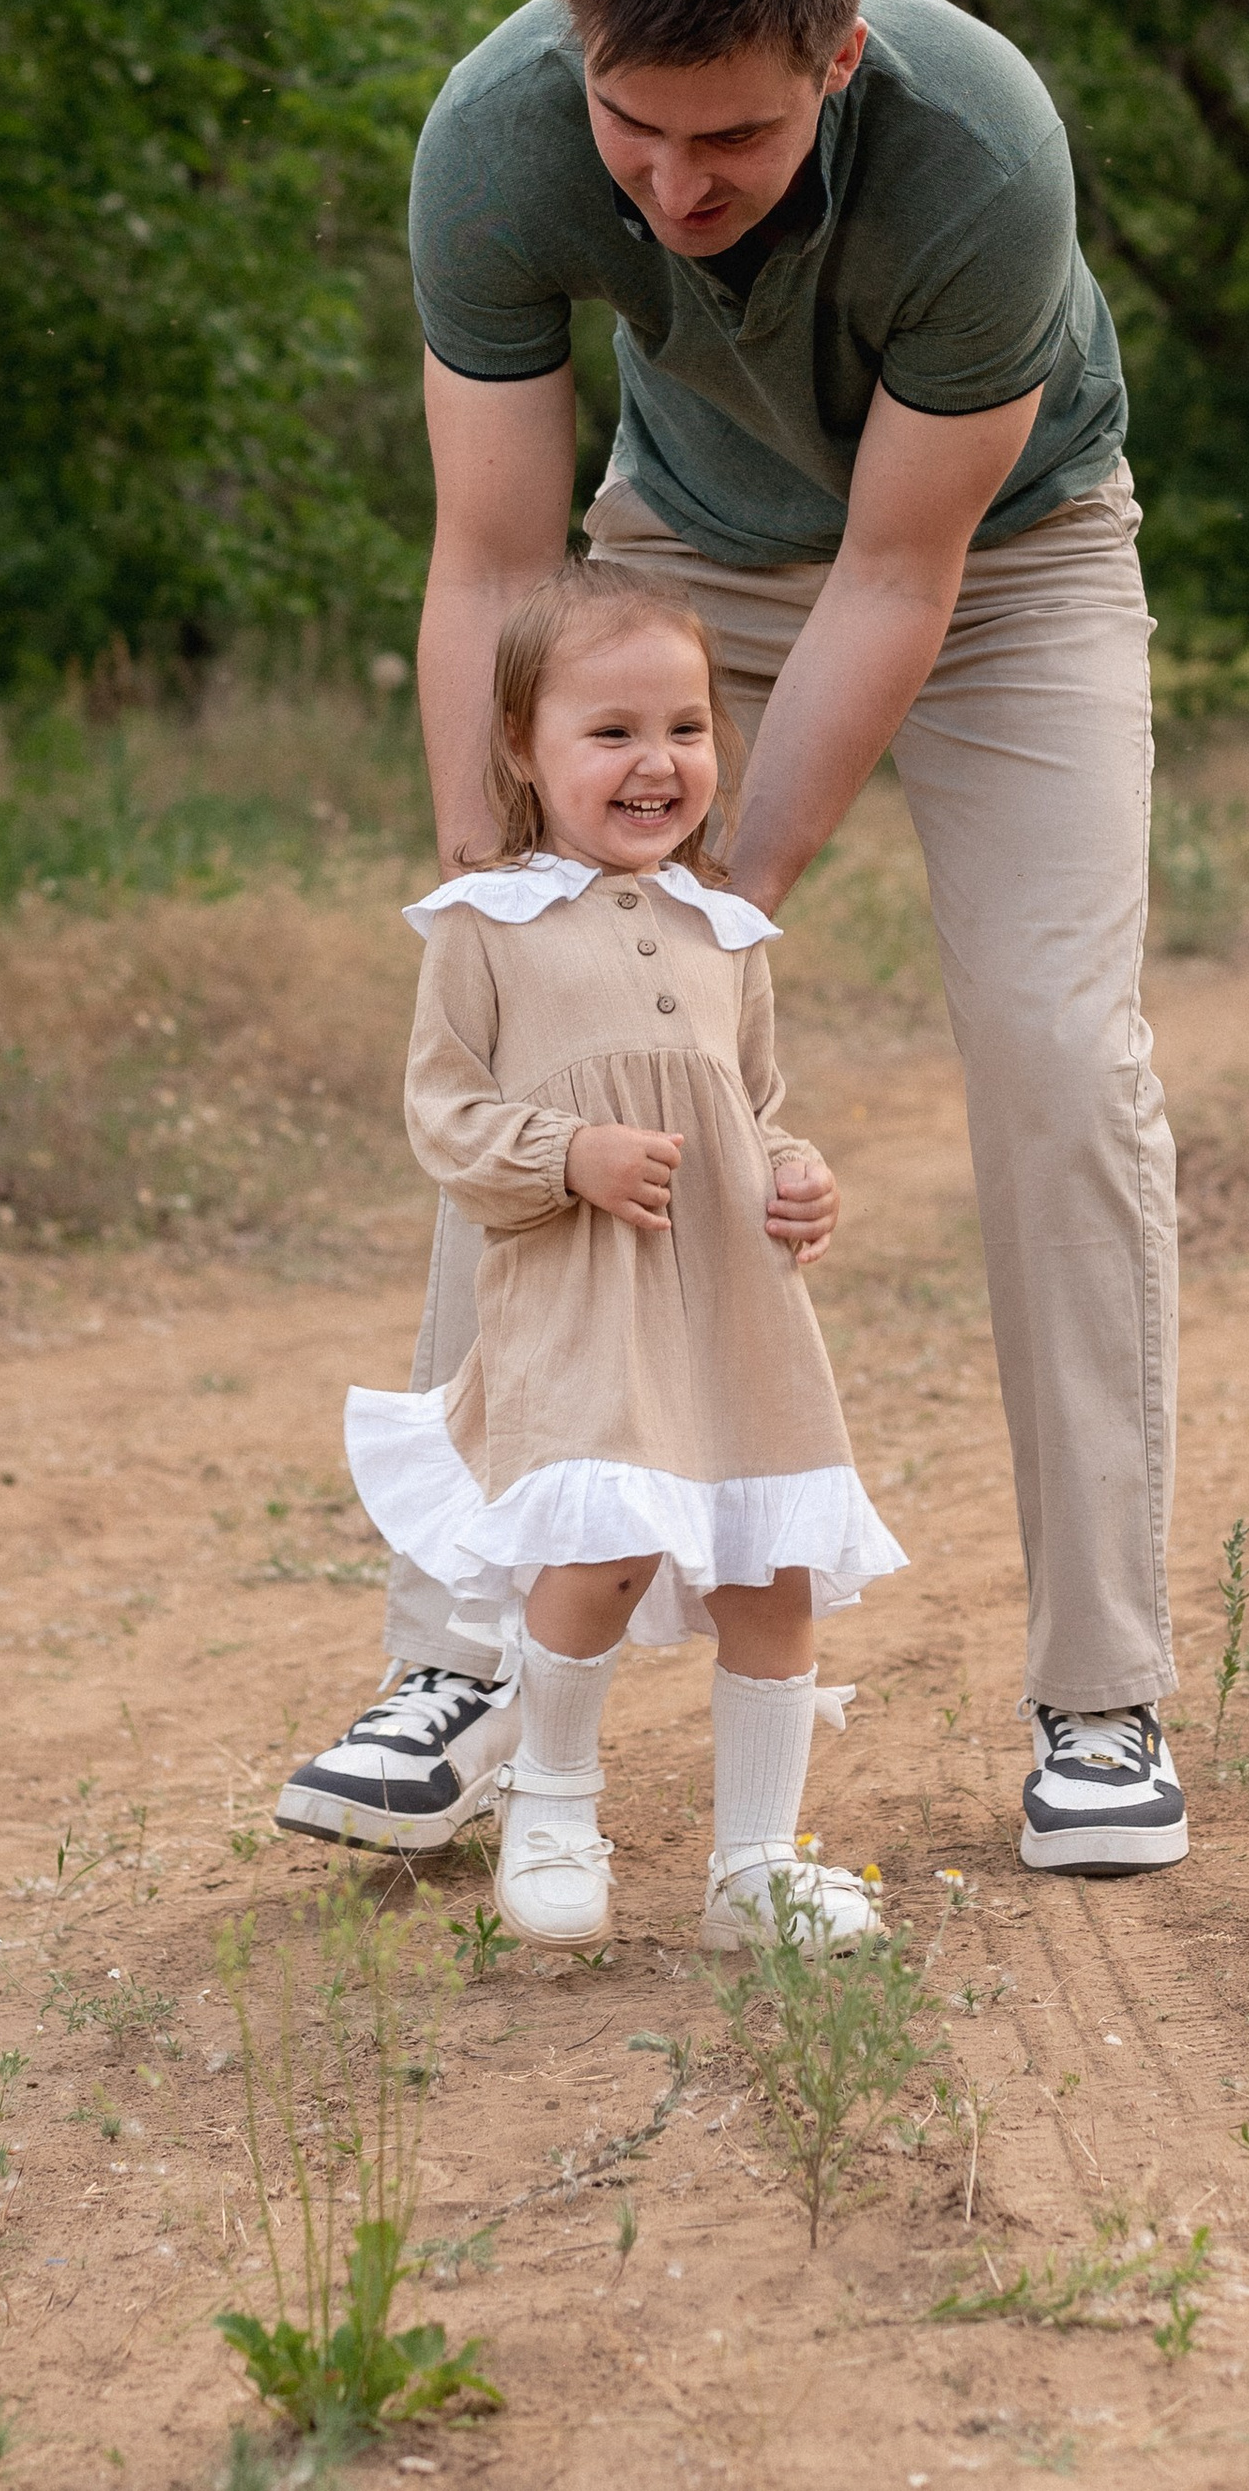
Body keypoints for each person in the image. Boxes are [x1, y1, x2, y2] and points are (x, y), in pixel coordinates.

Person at [276, 0, 1185, 1879]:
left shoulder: (980, 151)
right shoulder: (496, 136)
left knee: (1059, 1060)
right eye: (634, 128)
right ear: (575, 52)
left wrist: (722, 905)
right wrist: (502, 895)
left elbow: (899, 573)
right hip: (672, 555)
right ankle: (461, 1667)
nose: (676, 185)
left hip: (1005, 560)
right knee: (546, 1025)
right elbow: (492, 559)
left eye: (737, 141)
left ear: (836, 60)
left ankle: (1102, 1695)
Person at [337, 554, 901, 1951]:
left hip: (737, 1317)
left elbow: (753, 1105)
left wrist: (797, 1174)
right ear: (521, 749)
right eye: (612, 732)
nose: (658, 763)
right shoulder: (484, 928)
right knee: (598, 1555)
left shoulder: (725, 933)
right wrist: (564, 1155)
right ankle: (551, 1805)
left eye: (687, 728)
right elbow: (444, 1117)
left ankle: (755, 1869)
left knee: (770, 1575)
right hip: (585, 1304)